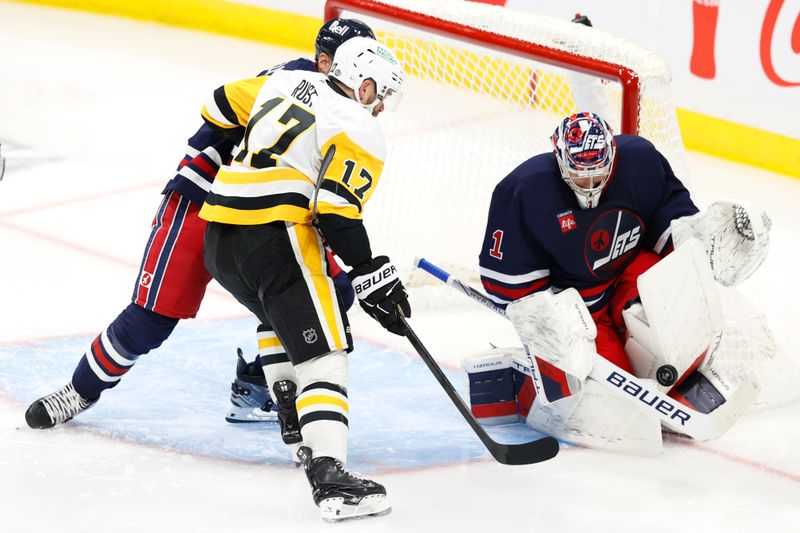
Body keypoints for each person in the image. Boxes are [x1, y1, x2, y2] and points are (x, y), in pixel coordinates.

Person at [24, 18, 374, 430]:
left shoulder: (341, 101)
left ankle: (258, 382)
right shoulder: (293, 80)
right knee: (150, 319)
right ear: (325, 61)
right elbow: (222, 108)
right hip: (201, 198)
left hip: (262, 215)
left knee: (330, 293)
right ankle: (78, 391)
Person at [467, 112, 771, 452]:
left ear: (613, 154)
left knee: (676, 322)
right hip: (582, 309)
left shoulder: (641, 162)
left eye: (600, 173)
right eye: (581, 178)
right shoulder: (525, 191)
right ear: (560, 162)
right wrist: (550, 321)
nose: (592, 185)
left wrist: (705, 242)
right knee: (620, 394)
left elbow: (672, 229)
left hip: (631, 273)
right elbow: (510, 284)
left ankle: (686, 372)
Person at [199, 36, 409, 521]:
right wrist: (370, 271)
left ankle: (293, 414)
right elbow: (336, 211)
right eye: (379, 95)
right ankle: (331, 477)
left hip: (220, 236)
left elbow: (217, 102)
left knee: (279, 318)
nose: (378, 108)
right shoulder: (360, 127)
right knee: (325, 349)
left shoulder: (288, 79)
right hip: (275, 234)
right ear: (364, 80)